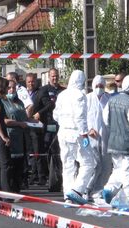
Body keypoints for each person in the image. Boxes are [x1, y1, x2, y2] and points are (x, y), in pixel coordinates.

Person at [53, 70, 96, 205]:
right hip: (76, 133)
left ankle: (68, 195)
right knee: (88, 163)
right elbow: (80, 116)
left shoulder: (62, 95)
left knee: (67, 165)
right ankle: (77, 190)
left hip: (62, 132)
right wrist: (84, 134)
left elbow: (56, 115)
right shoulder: (80, 95)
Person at [102, 75, 129, 210]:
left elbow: (106, 120)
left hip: (113, 142)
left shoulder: (111, 101)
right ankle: (128, 201)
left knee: (118, 169)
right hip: (128, 144)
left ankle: (109, 188)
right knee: (126, 172)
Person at [85, 75, 112, 200]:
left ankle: (98, 190)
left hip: (106, 136)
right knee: (95, 165)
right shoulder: (87, 99)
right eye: (97, 86)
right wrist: (88, 130)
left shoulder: (109, 99)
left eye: (101, 86)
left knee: (106, 166)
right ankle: (86, 189)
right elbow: (82, 118)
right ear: (92, 86)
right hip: (91, 137)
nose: (99, 88)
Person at [2, 79, 30, 193]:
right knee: (10, 165)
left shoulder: (20, 102)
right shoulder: (3, 102)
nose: (11, 90)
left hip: (21, 138)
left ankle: (17, 189)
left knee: (20, 165)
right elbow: (3, 120)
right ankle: (10, 189)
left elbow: (25, 117)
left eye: (13, 88)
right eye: (9, 87)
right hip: (10, 136)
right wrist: (18, 124)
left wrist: (33, 121)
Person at [26, 73, 54, 185]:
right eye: (29, 82)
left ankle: (41, 176)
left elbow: (50, 105)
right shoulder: (23, 93)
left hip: (37, 126)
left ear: (36, 82)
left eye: (32, 81)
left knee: (38, 152)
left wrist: (39, 113)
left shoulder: (41, 92)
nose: (31, 84)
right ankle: (33, 175)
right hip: (26, 125)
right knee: (30, 152)